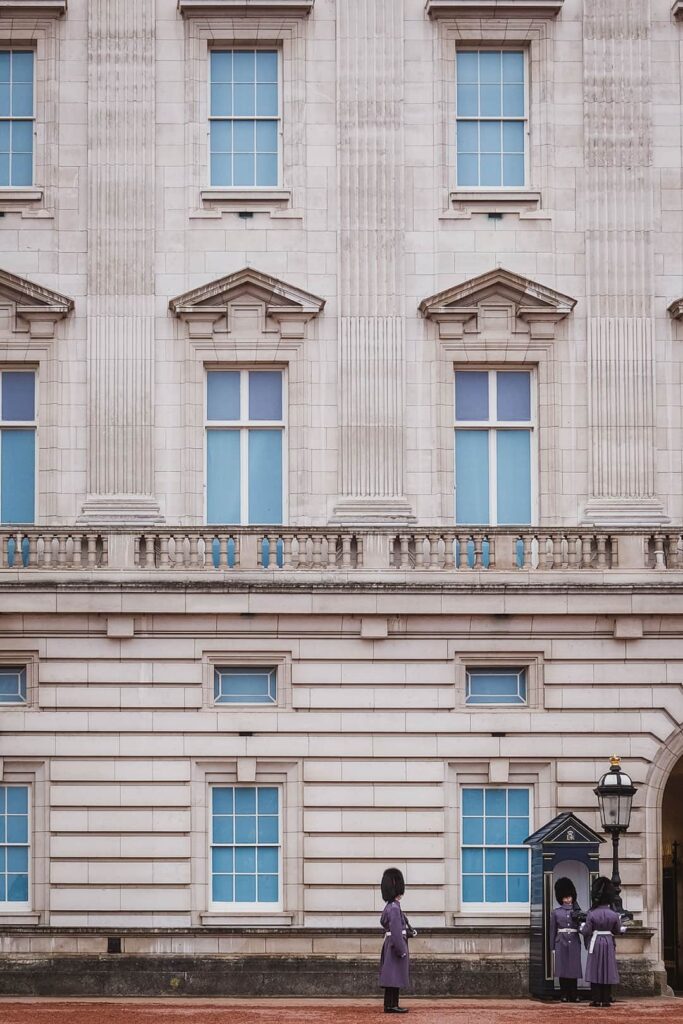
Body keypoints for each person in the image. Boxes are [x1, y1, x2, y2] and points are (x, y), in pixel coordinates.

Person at [581, 876, 627, 1007]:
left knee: (595, 969)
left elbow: (586, 931)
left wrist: (581, 928)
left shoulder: (592, 913)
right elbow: (617, 930)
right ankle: (606, 999)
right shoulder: (613, 914)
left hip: (595, 943)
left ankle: (596, 999)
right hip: (608, 942)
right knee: (608, 969)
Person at [379, 867, 416, 1014]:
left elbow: (392, 927)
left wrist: (407, 933)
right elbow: (395, 932)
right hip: (395, 946)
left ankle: (391, 1004)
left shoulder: (390, 906)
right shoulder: (394, 908)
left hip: (391, 944)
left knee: (392, 977)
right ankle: (391, 1005)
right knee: (394, 977)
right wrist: (402, 950)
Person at [549, 876, 583, 1002]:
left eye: (569, 897)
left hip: (574, 940)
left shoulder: (577, 911)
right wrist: (552, 947)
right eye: (565, 897)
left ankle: (574, 993)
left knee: (573, 968)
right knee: (562, 968)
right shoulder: (556, 912)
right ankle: (564, 993)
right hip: (561, 941)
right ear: (561, 898)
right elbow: (552, 930)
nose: (568, 900)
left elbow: (581, 928)